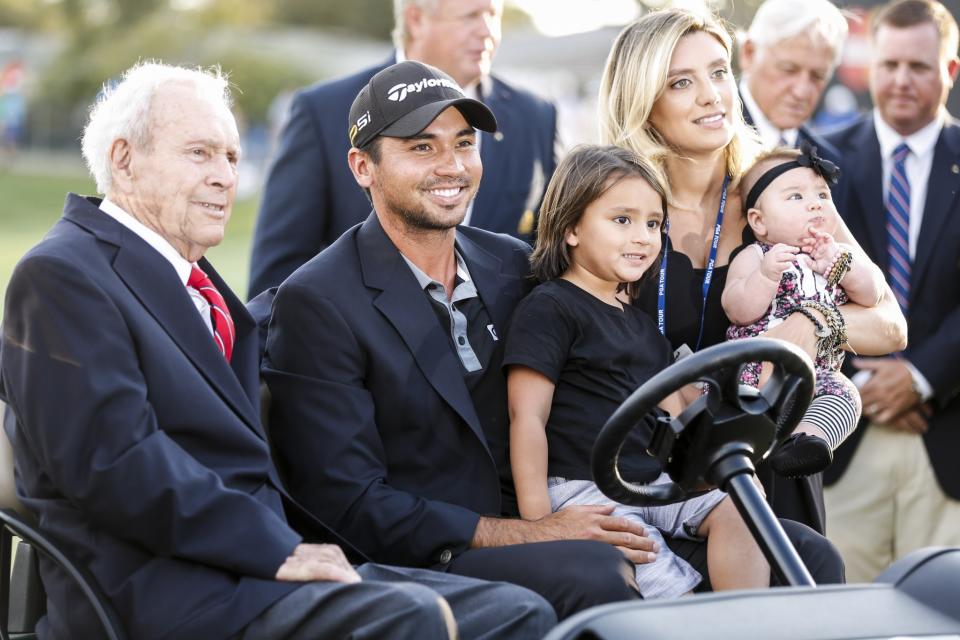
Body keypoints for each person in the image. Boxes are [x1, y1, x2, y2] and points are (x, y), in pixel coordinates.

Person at [0, 61, 556, 639]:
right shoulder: (63, 275)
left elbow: (288, 317)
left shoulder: (197, 283)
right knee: (415, 617)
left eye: (233, 158)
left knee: (517, 611)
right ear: (124, 160)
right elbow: (114, 464)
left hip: (254, 575)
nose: (224, 177)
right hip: (160, 598)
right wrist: (275, 549)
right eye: (199, 153)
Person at [260, 59, 643, 621]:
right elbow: (349, 503)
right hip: (430, 560)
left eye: (464, 143)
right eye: (421, 147)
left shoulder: (515, 263)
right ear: (363, 166)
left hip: (559, 509)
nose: (452, 166)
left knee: (777, 539)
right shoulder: (316, 303)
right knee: (595, 571)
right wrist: (528, 533)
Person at [598, 7, 907, 537]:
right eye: (681, 82)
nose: (712, 95)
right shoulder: (610, 204)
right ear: (644, 102)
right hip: (651, 487)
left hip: (774, 466)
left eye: (719, 72)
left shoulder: (780, 193)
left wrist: (810, 323)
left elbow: (889, 324)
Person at [506, 144, 769, 599]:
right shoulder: (551, 308)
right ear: (570, 227)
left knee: (745, 505)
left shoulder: (642, 325)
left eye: (653, 224)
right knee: (667, 588)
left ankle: (742, 618)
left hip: (648, 480)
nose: (643, 237)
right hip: (584, 488)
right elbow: (526, 418)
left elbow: (676, 413)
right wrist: (539, 526)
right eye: (622, 220)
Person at [247, 0, 557, 299]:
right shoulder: (324, 111)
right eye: (470, 16)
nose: (487, 30)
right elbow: (277, 277)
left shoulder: (536, 116)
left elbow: (551, 255)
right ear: (416, 19)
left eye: (493, 14)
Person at [823, 0, 960, 582]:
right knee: (844, 612)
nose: (902, 79)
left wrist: (921, 376)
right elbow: (803, 285)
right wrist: (868, 380)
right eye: (890, 64)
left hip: (947, 432)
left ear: (950, 71)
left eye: (920, 66)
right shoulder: (821, 160)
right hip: (845, 432)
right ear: (871, 66)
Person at [723, 145, 885, 478]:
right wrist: (765, 276)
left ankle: (807, 441)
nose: (814, 203)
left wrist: (842, 267)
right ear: (759, 221)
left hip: (815, 376)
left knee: (846, 395)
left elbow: (873, 295)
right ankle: (739, 444)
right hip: (757, 368)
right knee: (723, 394)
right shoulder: (756, 255)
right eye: (795, 197)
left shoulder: (835, 253)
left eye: (823, 195)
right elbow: (737, 309)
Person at [738, 0, 847, 161]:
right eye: (788, 70)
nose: (801, 91)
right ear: (749, 53)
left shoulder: (830, 165)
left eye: (817, 76)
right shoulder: (703, 143)